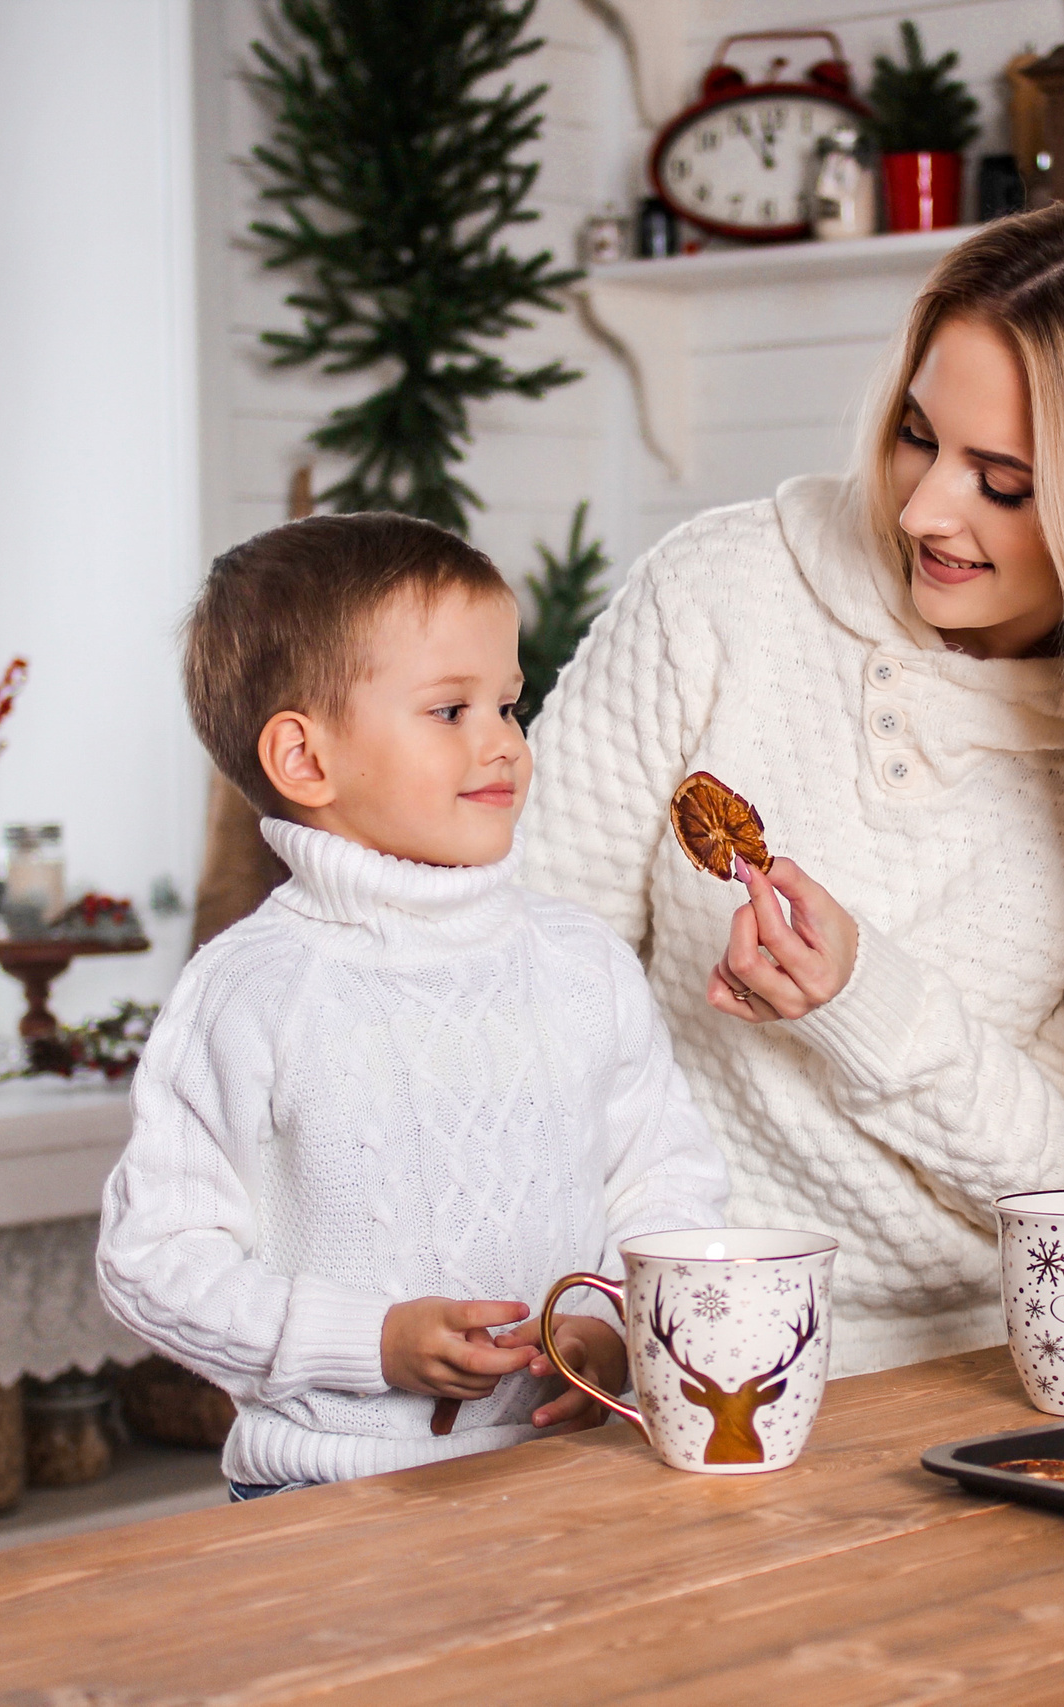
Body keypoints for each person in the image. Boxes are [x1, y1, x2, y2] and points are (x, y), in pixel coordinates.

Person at [524, 199, 1064, 1376]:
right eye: (916, 434)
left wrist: (867, 1005)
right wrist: (586, 1288)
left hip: (977, 1377)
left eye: (1002, 482)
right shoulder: (723, 593)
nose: (920, 510)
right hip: (654, 1339)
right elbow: (526, 982)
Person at [99, 513, 729, 1497]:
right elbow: (153, 1260)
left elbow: (665, 1184)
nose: (503, 744)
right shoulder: (248, 991)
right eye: (450, 711)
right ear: (305, 760)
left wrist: (615, 1332)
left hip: (570, 1483)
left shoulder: (583, 964)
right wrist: (371, 1342)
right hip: (329, 1500)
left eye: (508, 706)